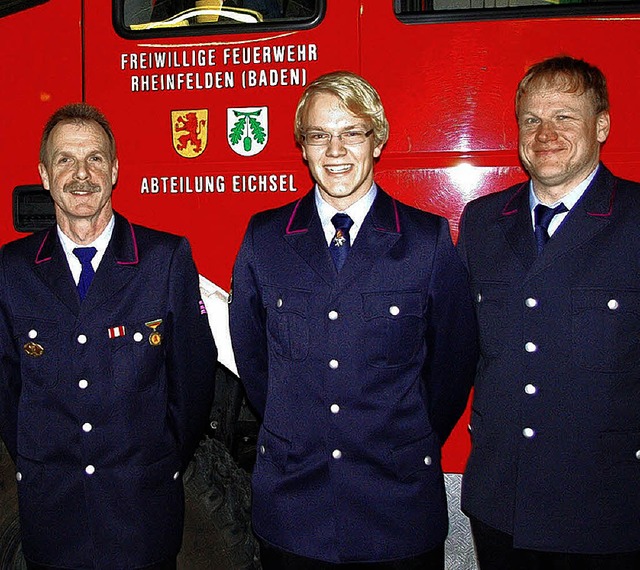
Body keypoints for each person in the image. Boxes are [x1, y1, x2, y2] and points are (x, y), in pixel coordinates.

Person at [229, 70, 478, 569]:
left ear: (377, 140)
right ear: (303, 147)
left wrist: (407, 436)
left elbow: (453, 361)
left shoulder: (425, 241)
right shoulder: (265, 238)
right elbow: (255, 361)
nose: (335, 149)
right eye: (320, 135)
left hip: (397, 508)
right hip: (295, 509)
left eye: (351, 133)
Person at [0, 103, 217, 569]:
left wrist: (156, 462)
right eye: (65, 160)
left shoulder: (164, 259)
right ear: (43, 174)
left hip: (141, 515)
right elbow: (7, 391)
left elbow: (194, 384)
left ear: (115, 170)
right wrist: (44, 464)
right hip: (53, 516)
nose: (81, 174)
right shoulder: (11, 271)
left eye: (95, 158)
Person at [458, 55, 640, 569]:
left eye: (565, 116)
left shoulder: (634, 219)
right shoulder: (484, 222)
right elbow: (457, 350)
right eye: (532, 119)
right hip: (502, 503)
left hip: (608, 507)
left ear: (601, 125)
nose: (546, 133)